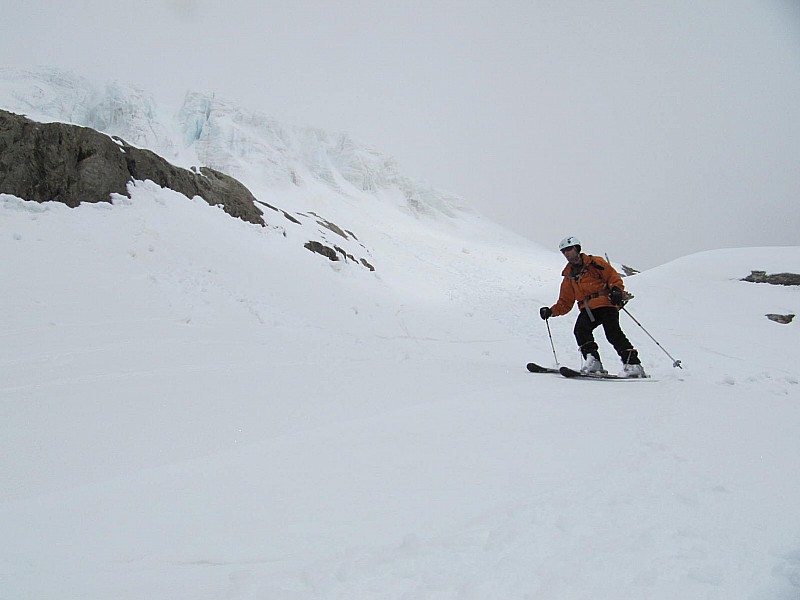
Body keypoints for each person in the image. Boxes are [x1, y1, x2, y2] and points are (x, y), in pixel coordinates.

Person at [539, 236, 646, 377]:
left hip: (606, 303)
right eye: (564, 251)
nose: (566, 253)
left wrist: (616, 290)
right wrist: (551, 311)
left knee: (612, 332)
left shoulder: (595, 263)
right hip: (588, 308)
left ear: (577, 249)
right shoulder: (569, 276)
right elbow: (565, 302)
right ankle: (593, 361)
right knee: (580, 330)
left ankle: (633, 364)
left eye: (569, 249)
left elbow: (613, 277)